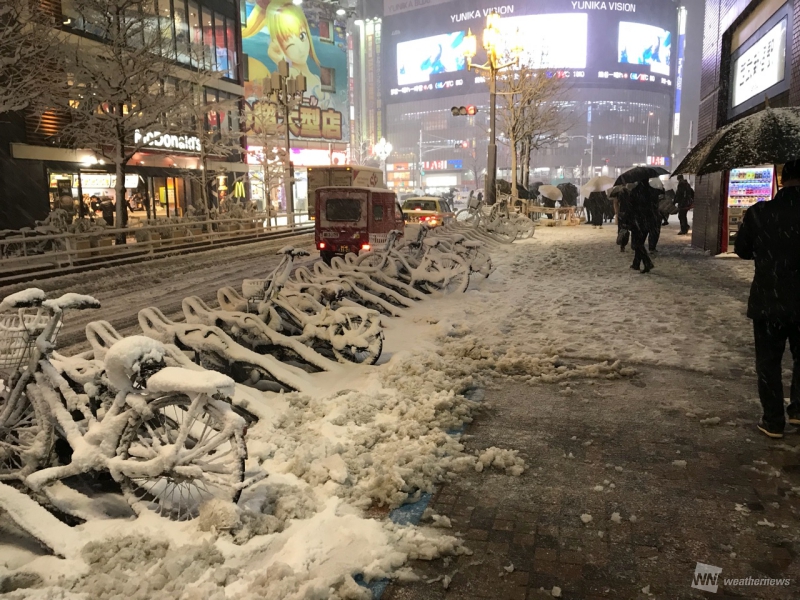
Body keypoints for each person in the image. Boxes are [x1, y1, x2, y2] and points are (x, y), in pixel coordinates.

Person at [734, 160, 800, 439]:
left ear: (783, 180)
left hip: (768, 300)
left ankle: (773, 420)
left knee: (769, 362)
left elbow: (742, 250)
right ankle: (798, 410)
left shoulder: (761, 211)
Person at [625, 182, 658, 273]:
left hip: (638, 221)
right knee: (640, 243)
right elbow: (655, 206)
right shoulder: (652, 191)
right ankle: (636, 263)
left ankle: (647, 262)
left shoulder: (635, 192)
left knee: (637, 244)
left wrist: (627, 220)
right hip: (648, 221)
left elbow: (630, 207)